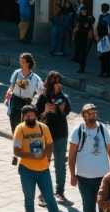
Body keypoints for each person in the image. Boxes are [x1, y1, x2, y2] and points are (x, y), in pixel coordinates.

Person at [14, 104, 66, 212]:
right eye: (26, 115)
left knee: (50, 199)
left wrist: (45, 155)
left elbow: (50, 144)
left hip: (43, 170)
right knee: (29, 200)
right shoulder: (20, 129)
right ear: (23, 117)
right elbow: (16, 150)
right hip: (26, 170)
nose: (29, 117)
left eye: (31, 115)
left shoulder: (44, 128)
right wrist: (31, 156)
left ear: (36, 115)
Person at [68, 102, 110, 212]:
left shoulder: (102, 129)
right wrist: (72, 174)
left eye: (94, 112)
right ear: (83, 115)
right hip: (84, 178)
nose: (92, 115)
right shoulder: (78, 131)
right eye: (89, 113)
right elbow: (72, 155)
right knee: (88, 209)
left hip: (103, 177)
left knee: (105, 209)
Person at [35, 71, 71, 204]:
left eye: (58, 81)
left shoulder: (63, 97)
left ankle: (60, 192)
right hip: (45, 134)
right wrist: (45, 111)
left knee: (60, 165)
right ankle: (43, 194)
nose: (55, 83)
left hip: (61, 134)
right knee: (44, 164)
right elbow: (36, 116)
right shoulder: (43, 97)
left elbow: (67, 112)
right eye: (53, 81)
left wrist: (61, 108)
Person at [4, 53, 41, 137]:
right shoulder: (16, 73)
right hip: (15, 100)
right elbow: (11, 86)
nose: (20, 63)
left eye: (23, 62)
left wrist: (34, 102)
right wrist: (9, 92)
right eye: (20, 61)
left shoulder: (35, 78)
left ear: (28, 63)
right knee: (14, 124)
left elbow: (40, 93)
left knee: (24, 126)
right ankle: (16, 142)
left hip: (26, 103)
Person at [72, 3, 95, 73]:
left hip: (86, 38)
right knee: (79, 52)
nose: (84, 12)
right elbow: (75, 28)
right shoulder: (79, 18)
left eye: (85, 11)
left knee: (84, 54)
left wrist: (91, 37)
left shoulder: (89, 18)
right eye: (83, 10)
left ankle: (82, 68)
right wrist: (73, 36)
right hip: (79, 37)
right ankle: (80, 66)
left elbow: (91, 28)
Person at [95, 2, 110, 77]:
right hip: (103, 38)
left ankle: (106, 72)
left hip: (106, 38)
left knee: (106, 56)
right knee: (103, 56)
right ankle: (104, 71)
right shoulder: (102, 16)